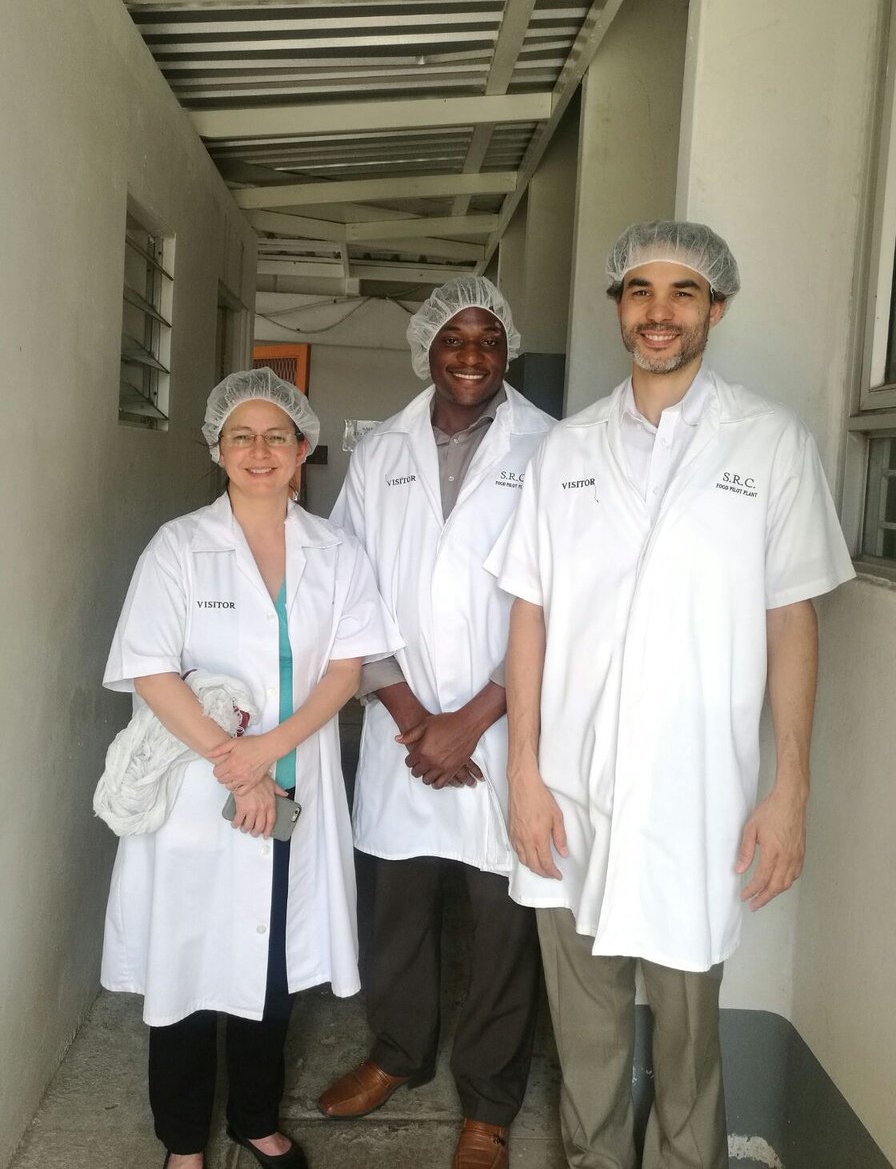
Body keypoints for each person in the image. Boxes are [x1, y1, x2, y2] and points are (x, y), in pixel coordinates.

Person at [495, 221, 856, 1169]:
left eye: (683, 292)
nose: (660, 311)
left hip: (697, 794)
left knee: (691, 1032)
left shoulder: (769, 446)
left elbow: (792, 620)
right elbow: (527, 616)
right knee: (586, 1022)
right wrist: (522, 772)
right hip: (568, 784)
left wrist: (791, 790)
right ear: (619, 308)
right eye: (641, 291)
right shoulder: (565, 451)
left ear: (716, 309)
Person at [101, 367, 400, 1169]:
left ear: (303, 450)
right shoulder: (178, 547)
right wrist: (240, 767)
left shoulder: (336, 551)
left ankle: (256, 1120)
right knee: (189, 962)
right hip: (203, 795)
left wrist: (270, 753)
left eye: (277, 436)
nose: (260, 450)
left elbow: (346, 668)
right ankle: (182, 1144)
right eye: (242, 436)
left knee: (272, 969)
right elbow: (153, 671)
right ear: (217, 449)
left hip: (292, 784)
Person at [318, 278, 555, 1169]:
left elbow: (567, 598)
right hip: (401, 725)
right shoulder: (382, 450)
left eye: (486, 339)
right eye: (452, 339)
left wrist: (475, 718)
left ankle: (489, 1106)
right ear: (427, 347)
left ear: (508, 350)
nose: (468, 355)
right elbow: (347, 586)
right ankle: (398, 1054)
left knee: (503, 922)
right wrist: (416, 719)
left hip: (506, 720)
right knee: (399, 912)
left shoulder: (553, 449)